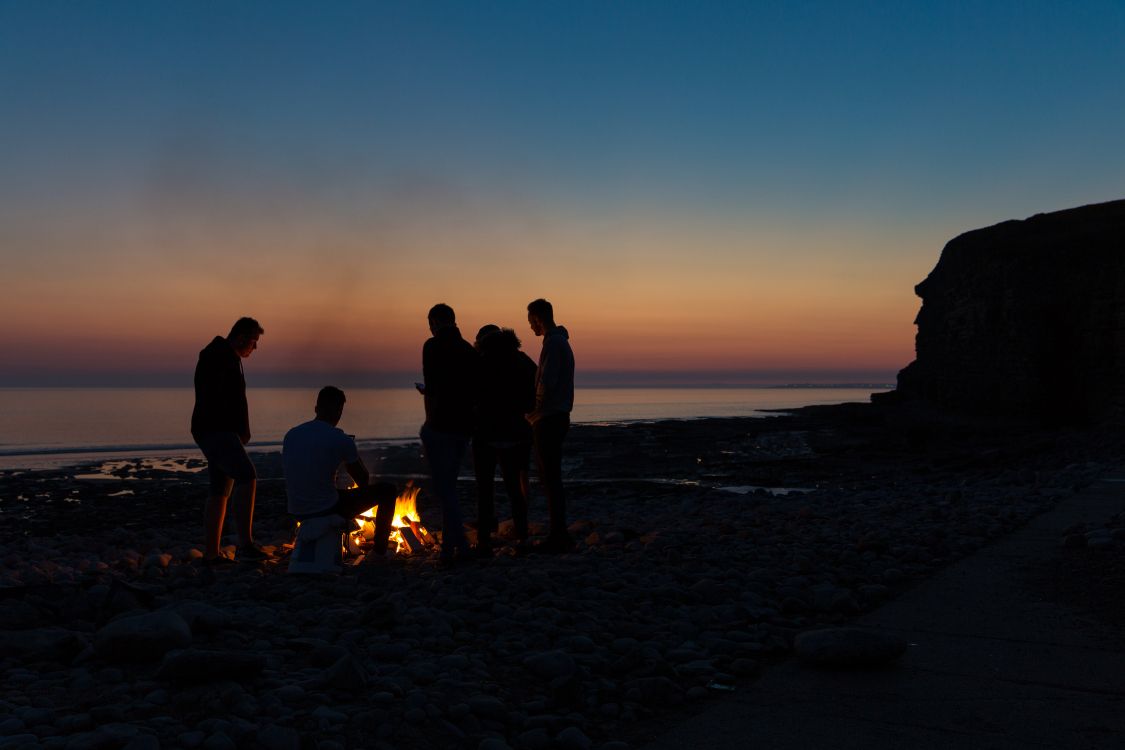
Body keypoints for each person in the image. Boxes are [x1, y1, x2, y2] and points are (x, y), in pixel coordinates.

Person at [282, 386, 398, 557]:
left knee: (329, 491)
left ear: (316, 408)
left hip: (296, 509)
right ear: (339, 412)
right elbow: (363, 479)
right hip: (327, 508)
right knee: (388, 490)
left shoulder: (292, 434)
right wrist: (351, 452)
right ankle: (379, 552)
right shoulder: (340, 438)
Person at [191, 316, 267, 563]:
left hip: (219, 431)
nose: (254, 348)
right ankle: (245, 545)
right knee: (247, 476)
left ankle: (212, 554)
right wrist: (232, 432)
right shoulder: (217, 356)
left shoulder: (226, 356)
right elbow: (215, 396)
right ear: (242, 338)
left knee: (220, 489)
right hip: (217, 430)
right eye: (253, 342)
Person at [419, 303, 479, 565]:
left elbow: (432, 386)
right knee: (449, 487)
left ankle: (460, 548)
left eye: (430, 323)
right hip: (463, 426)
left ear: (435, 322)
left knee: (445, 490)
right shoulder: (468, 350)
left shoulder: (432, 347)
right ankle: (449, 547)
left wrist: (428, 410)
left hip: (440, 424)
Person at [472, 324, 537, 554]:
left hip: (486, 434)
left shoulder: (479, 363)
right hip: (516, 433)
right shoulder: (522, 360)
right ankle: (522, 536)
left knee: (485, 488)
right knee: (514, 487)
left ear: (481, 342)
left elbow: (470, 395)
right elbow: (533, 395)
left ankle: (484, 540)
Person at [526, 298, 575, 553]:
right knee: (550, 476)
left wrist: (535, 407)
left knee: (550, 477)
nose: (530, 327)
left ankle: (558, 535)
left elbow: (547, 380)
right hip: (554, 415)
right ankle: (559, 533)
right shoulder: (558, 342)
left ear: (537, 318)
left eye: (530, 321)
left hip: (549, 417)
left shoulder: (554, 344)